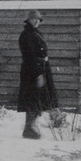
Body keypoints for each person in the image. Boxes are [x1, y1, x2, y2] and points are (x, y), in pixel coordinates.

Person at [17, 9, 57, 140]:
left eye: (37, 19)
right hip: (32, 71)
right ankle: (28, 128)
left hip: (41, 68)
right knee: (32, 98)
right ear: (28, 20)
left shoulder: (36, 33)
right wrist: (38, 74)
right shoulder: (26, 35)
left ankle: (32, 126)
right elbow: (30, 56)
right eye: (33, 19)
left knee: (39, 98)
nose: (36, 21)